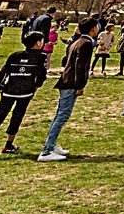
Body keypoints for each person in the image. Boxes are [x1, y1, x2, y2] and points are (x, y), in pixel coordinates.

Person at [0, 32, 48, 161]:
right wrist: (35, 87)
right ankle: (7, 144)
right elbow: (42, 76)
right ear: (38, 43)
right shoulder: (41, 57)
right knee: (17, 116)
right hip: (25, 93)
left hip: (8, 91)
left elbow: (2, 73)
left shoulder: (15, 55)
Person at [38, 17, 97, 162]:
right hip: (71, 83)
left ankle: (51, 144)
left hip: (66, 81)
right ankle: (46, 151)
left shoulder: (76, 41)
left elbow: (66, 61)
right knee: (62, 116)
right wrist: (80, 85)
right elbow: (80, 66)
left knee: (60, 115)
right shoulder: (86, 43)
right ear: (93, 28)